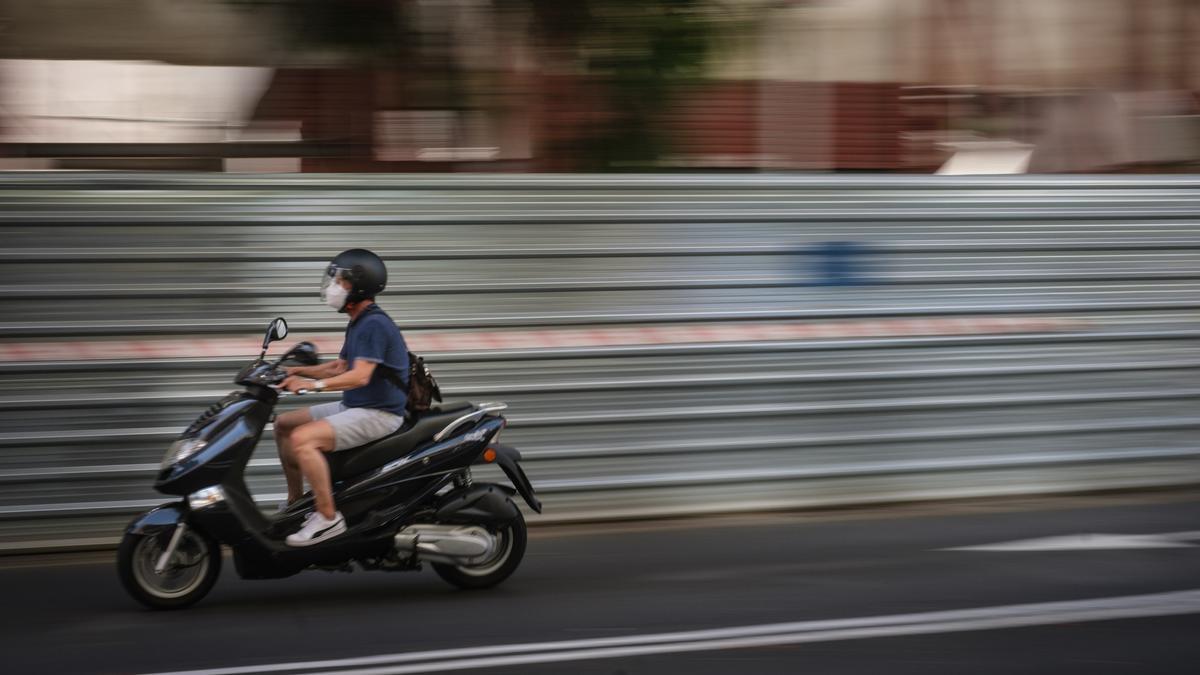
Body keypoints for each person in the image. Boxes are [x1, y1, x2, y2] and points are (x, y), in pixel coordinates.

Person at [275, 249, 410, 546]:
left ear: (359, 286)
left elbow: (359, 376)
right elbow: (339, 368)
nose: (334, 285)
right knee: (284, 425)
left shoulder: (374, 324)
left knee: (302, 439)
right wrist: (292, 371)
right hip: (358, 404)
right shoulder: (360, 321)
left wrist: (310, 387)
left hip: (379, 413)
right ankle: (297, 502)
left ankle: (327, 517)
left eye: (341, 280)